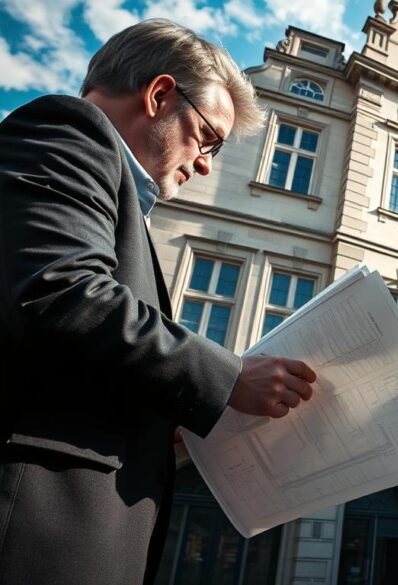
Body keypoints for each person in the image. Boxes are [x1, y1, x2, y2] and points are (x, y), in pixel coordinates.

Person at [0, 20, 318, 585]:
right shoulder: (69, 131)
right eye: (208, 138)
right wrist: (229, 378)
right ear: (159, 94)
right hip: (34, 527)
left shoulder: (121, 196)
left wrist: (162, 417)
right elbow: (62, 294)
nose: (205, 166)